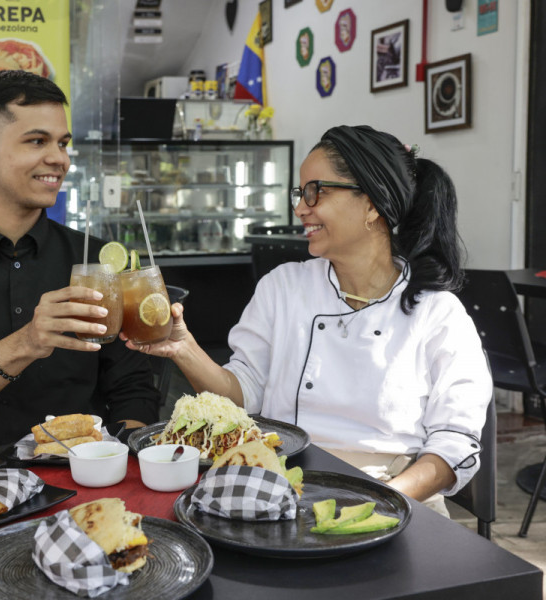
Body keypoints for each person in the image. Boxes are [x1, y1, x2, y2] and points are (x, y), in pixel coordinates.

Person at [124, 125, 492, 516]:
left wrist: (383, 502)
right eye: (299, 193)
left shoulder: (437, 313)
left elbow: (454, 443)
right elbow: (243, 395)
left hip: (397, 496)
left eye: (315, 192)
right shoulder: (284, 287)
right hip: (279, 484)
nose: (300, 208)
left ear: (372, 205)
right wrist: (183, 348)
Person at [0, 69, 159, 448]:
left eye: (63, 143)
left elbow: (134, 390)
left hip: (82, 472)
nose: (59, 159)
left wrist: (122, 456)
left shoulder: (99, 262)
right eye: (37, 141)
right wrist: (25, 343)